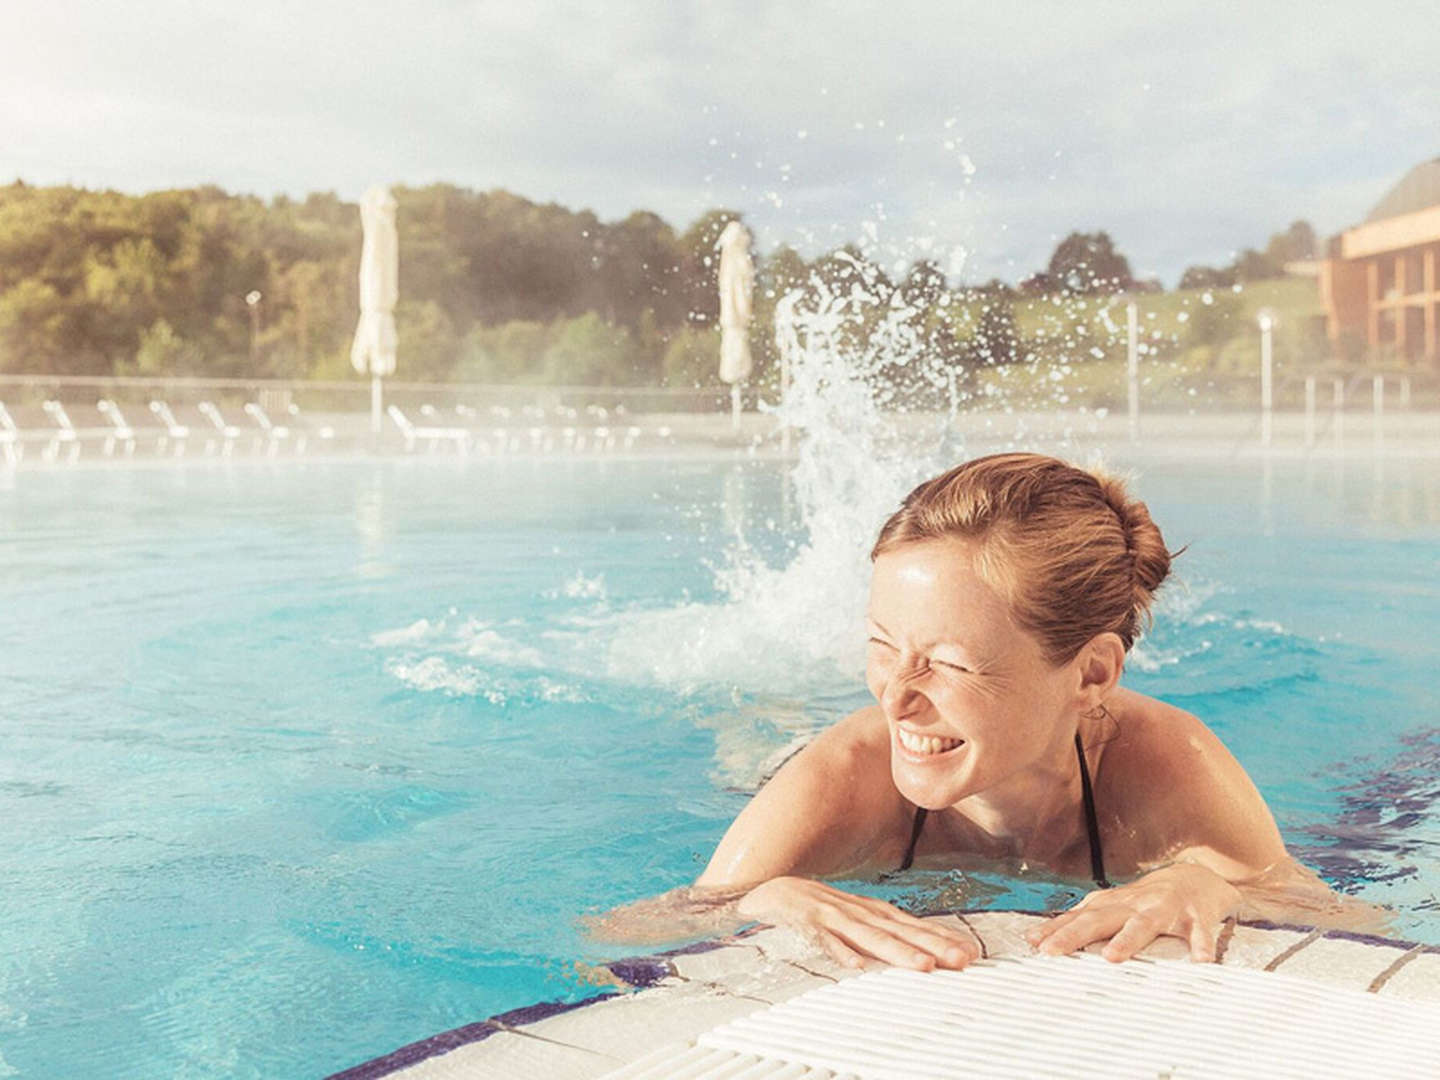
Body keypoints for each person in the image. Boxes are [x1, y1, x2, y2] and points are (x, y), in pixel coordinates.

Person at [590, 452, 1379, 970]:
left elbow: (1354, 924)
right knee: (751, 746)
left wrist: (1216, 890)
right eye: (882, 644)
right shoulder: (844, 774)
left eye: (951, 662)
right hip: (792, 763)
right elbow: (624, 931)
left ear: (1093, 672)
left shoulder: (1167, 764)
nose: (893, 693)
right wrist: (759, 897)